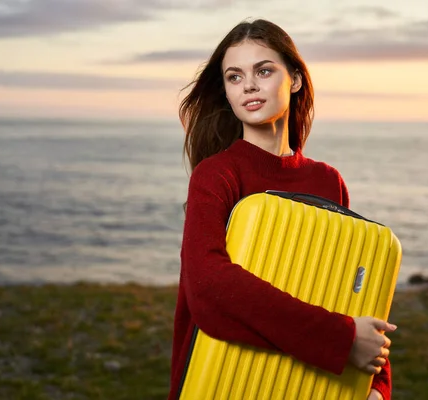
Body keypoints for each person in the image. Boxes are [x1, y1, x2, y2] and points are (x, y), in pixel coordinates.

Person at [169, 19, 396, 400]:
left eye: (264, 70)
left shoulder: (328, 182)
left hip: (308, 386)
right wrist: (340, 339)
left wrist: (376, 386)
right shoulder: (217, 175)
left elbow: (348, 290)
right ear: (225, 91)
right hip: (221, 382)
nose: (250, 86)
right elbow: (208, 289)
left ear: (294, 79)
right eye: (234, 77)